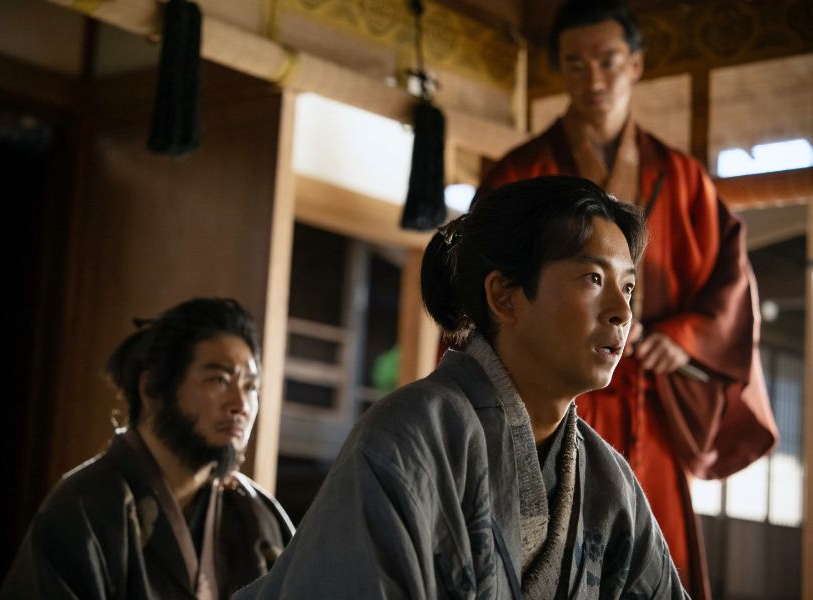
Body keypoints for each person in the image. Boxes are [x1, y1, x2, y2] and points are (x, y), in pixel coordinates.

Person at [236, 175, 686, 599]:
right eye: (593, 278)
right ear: (504, 296)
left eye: (628, 287)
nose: (622, 312)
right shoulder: (407, 437)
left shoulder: (610, 483)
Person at [477, 2, 778, 598]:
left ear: (636, 65)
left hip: (650, 405)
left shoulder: (684, 179)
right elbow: (481, 287)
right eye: (575, 64)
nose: (593, 78)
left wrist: (683, 338)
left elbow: (729, 283)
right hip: (546, 409)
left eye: (608, 61)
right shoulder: (523, 173)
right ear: (559, 70)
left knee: (656, 565)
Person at [0, 298, 294, 599]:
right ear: (152, 389)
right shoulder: (83, 508)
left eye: (250, 387)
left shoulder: (258, 517)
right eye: (218, 380)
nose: (241, 405)